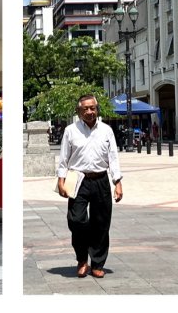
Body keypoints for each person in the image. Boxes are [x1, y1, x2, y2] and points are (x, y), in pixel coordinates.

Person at [56, 94, 123, 279]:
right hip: (78, 179)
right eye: (85, 108)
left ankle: (97, 263)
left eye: (92, 108)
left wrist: (117, 182)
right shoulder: (71, 130)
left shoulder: (106, 130)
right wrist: (60, 180)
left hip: (101, 180)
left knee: (101, 223)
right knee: (76, 220)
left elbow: (113, 158)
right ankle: (82, 258)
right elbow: (64, 158)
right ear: (79, 111)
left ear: (97, 109)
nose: (89, 111)